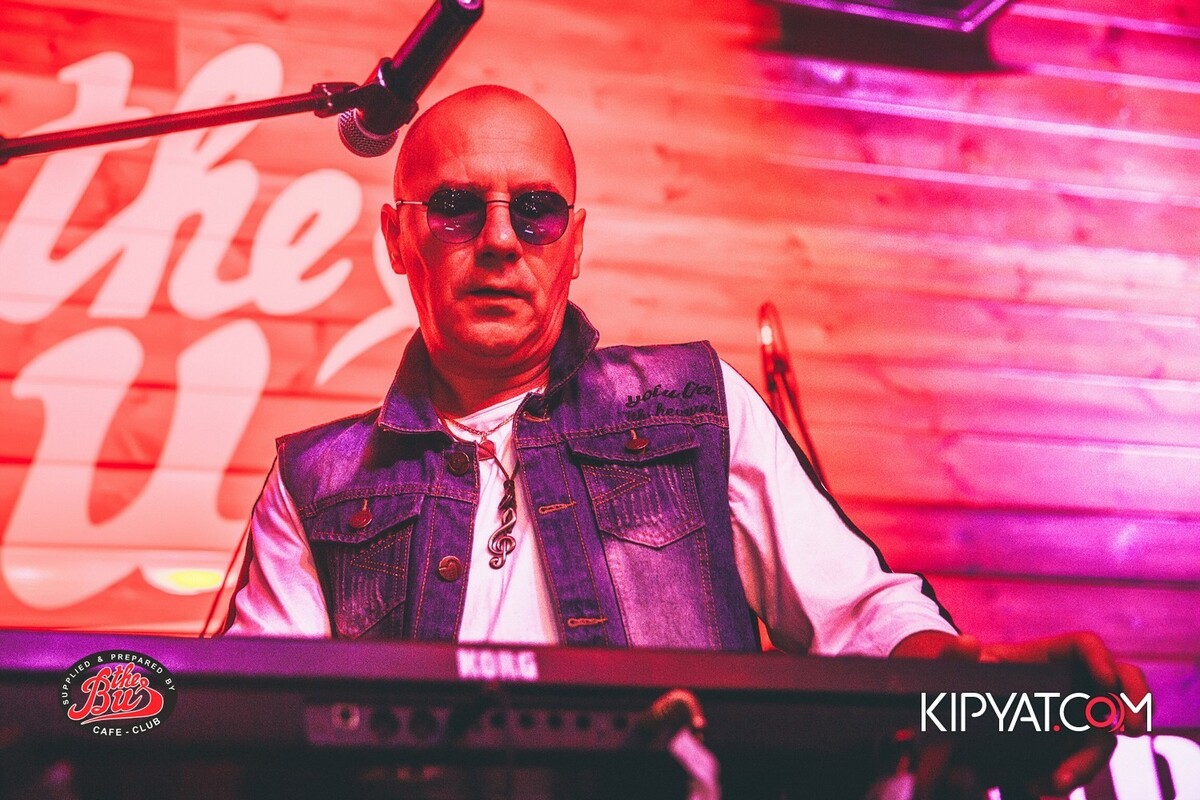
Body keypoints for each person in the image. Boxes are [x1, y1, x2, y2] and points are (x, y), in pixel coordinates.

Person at [225, 85, 1147, 795]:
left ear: (574, 243)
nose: (501, 239)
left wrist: (992, 689)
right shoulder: (312, 482)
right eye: (458, 205)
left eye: (537, 211)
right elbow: (245, 730)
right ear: (398, 237)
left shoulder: (697, 404)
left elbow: (863, 619)